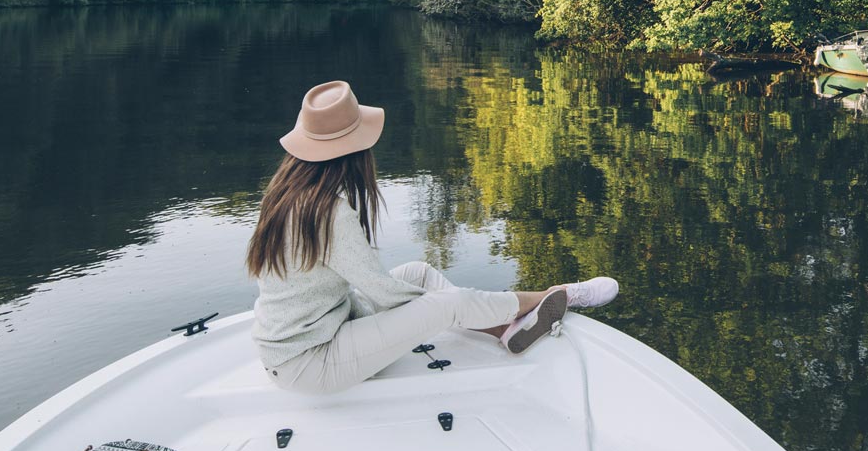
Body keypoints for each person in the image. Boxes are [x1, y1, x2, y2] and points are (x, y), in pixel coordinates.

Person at [247, 81, 618, 394]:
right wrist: (446, 306)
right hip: (308, 363)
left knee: (419, 273)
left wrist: (438, 305)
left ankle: (503, 329)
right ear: (351, 152)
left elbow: (376, 290)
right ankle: (562, 294)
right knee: (445, 304)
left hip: (312, 335)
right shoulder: (328, 212)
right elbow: (384, 293)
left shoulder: (285, 194)